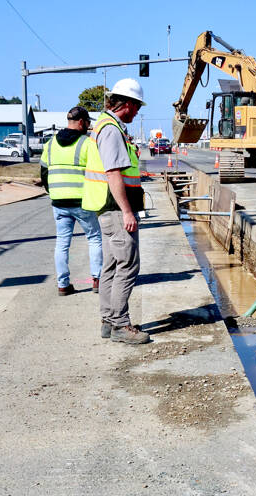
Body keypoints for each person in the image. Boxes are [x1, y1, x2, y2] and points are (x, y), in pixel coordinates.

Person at [82, 78, 149, 344]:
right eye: (137, 107)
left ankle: (109, 321)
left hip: (107, 210)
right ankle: (120, 325)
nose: (137, 112)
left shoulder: (106, 126)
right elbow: (113, 173)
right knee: (128, 265)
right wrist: (127, 212)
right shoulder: (110, 130)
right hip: (115, 209)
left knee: (111, 266)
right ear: (128, 104)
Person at [40, 106, 102, 296]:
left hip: (59, 202)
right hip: (82, 200)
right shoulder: (87, 143)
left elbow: (43, 173)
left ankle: (63, 285)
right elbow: (99, 173)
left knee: (62, 242)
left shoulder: (50, 144)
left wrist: (53, 192)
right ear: (82, 122)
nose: (89, 126)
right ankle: (98, 280)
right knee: (94, 238)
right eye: (88, 122)